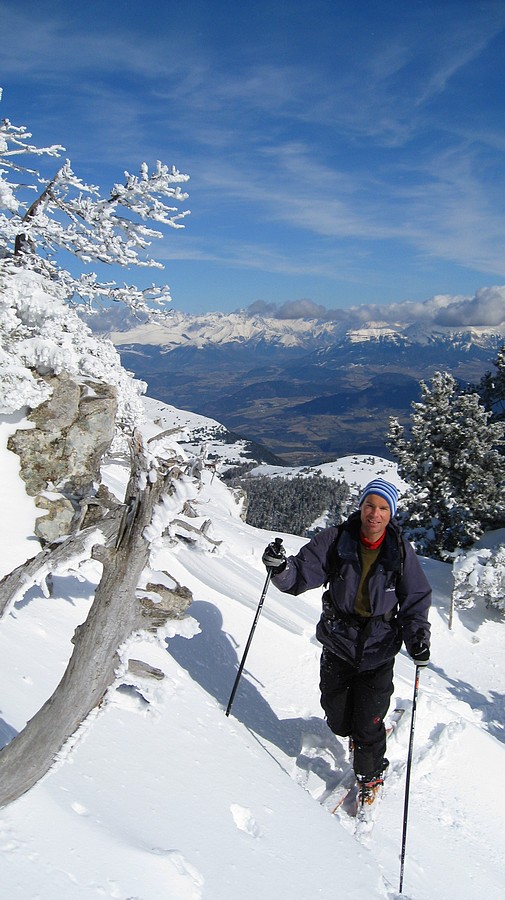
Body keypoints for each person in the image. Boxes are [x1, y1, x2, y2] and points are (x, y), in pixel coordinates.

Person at [262, 477, 431, 808]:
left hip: (378, 651)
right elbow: (301, 572)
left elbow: (415, 599)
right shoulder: (337, 539)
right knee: (339, 721)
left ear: (391, 513)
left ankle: (370, 775)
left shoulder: (399, 551)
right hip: (338, 643)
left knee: (367, 726)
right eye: (370, 505)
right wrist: (280, 568)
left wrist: (418, 638)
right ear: (361, 506)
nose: (375, 514)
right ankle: (353, 734)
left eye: (383, 508)